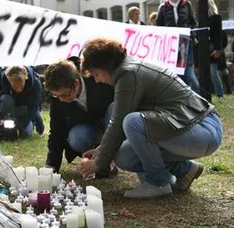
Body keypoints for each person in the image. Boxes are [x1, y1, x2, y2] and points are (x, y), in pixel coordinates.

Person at [77, 38, 223, 199]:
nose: (97, 80)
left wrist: (98, 163)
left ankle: (158, 183)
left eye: (96, 74)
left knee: (132, 122)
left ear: (105, 66)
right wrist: (100, 151)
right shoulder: (128, 68)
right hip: (191, 129)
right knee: (123, 156)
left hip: (203, 129)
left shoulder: (128, 74)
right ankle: (185, 170)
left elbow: (118, 123)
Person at [43, 58, 114, 174]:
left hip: (110, 125)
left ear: (76, 83)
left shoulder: (99, 78)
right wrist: (51, 165)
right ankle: (95, 161)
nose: (61, 100)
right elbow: (56, 131)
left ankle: (109, 160)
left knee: (114, 108)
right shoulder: (59, 98)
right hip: (88, 132)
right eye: (57, 96)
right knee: (76, 136)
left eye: (65, 95)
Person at [156, 0, 199, 93]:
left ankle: (197, 96)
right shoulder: (163, 7)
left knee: (188, 70)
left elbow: (193, 22)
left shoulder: (187, 4)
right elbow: (159, 27)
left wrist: (192, 36)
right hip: (170, 45)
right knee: (174, 72)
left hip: (186, 42)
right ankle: (180, 96)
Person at [0, 65, 44, 140]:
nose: (18, 90)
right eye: (15, 87)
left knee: (27, 132)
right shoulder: (0, 78)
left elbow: (33, 108)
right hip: (7, 105)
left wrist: (19, 127)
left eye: (21, 86)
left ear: (25, 78)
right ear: (8, 80)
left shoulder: (35, 83)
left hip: (25, 107)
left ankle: (33, 121)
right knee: (5, 101)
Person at [207, 0, 224, 98]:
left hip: (213, 47)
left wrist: (218, 49)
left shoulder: (216, 17)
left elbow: (219, 34)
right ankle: (208, 93)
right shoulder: (201, 18)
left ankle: (219, 93)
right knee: (207, 72)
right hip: (204, 47)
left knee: (213, 72)